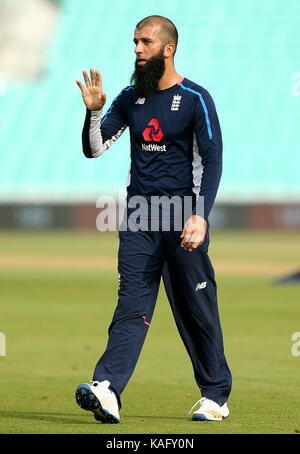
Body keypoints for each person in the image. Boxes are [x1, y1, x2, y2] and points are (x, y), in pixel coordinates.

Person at [75, 15, 232, 424]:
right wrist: (93, 113)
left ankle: (215, 396)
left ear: (168, 49)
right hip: (139, 219)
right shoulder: (130, 98)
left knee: (196, 307)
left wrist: (200, 216)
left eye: (145, 42)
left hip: (183, 219)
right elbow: (95, 148)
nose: (137, 50)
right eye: (134, 42)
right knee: (131, 304)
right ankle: (107, 388)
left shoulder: (196, 98)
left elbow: (213, 162)